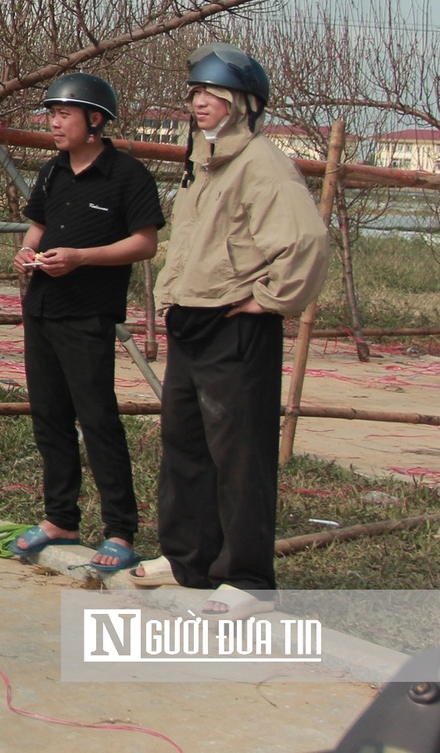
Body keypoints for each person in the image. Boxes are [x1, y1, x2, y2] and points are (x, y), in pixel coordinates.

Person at [138, 43, 328, 614]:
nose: (200, 102)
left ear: (243, 104)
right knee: (185, 445)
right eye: (196, 93)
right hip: (192, 321)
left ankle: (247, 580)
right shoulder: (204, 163)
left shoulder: (263, 164)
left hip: (235, 327)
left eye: (213, 94)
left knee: (240, 455)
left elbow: (306, 241)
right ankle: (187, 559)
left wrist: (269, 300)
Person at [9, 72, 164, 574]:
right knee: (49, 416)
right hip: (43, 309)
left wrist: (81, 257)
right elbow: (38, 225)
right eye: (51, 114)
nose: (53, 122)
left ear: (95, 121)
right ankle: (60, 520)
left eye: (64, 114)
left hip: (88, 315)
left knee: (97, 419)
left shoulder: (127, 176)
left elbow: (144, 243)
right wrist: (27, 251)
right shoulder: (54, 171)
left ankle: (121, 529)